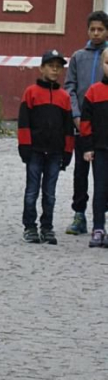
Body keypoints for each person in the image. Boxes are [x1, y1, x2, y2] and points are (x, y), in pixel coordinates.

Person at [17, 50, 74, 245]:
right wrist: (24, 146)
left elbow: (68, 128)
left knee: (50, 192)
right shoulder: (31, 92)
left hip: (55, 152)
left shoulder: (64, 97)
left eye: (58, 67)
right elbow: (23, 123)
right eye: (51, 66)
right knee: (32, 190)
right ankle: (30, 226)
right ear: (42, 68)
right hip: (35, 151)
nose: (55, 69)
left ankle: (47, 226)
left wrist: (68, 151)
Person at [64, 10, 108, 235]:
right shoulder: (78, 57)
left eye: (101, 29)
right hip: (81, 125)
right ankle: (79, 214)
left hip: (103, 129)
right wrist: (76, 115)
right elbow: (70, 87)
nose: (96, 33)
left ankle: (101, 216)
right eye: (93, 29)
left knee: (103, 174)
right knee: (80, 172)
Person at [79, 48, 108, 248]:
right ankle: (98, 228)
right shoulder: (94, 91)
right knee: (100, 190)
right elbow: (86, 123)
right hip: (100, 150)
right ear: (102, 65)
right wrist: (88, 147)